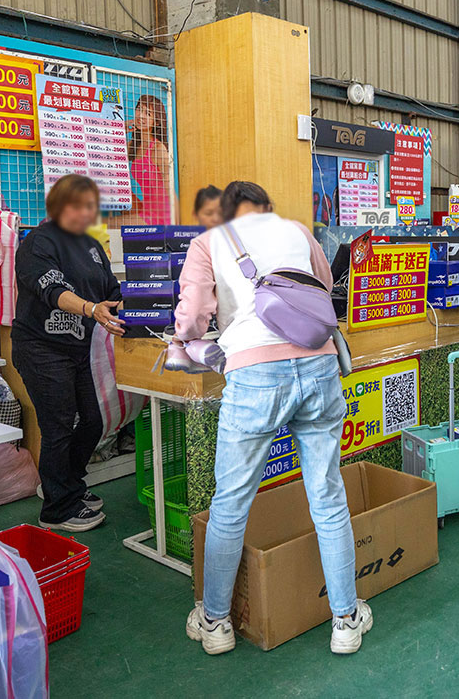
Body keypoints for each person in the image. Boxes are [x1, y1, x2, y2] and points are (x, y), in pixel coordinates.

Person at [177, 181, 372, 656]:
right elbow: (322, 289)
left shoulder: (207, 243)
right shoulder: (297, 231)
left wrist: (189, 338)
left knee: (231, 503)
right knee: (327, 497)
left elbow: (192, 320)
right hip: (320, 364)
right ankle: (346, 620)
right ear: (267, 206)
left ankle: (216, 622)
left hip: (254, 374)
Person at [13, 174, 124, 533]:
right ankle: (56, 509)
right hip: (41, 348)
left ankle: (68, 485)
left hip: (81, 351)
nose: (86, 212)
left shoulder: (91, 247)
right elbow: (52, 289)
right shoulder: (37, 244)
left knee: (94, 419)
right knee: (58, 425)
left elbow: (111, 289)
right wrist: (91, 310)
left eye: (90, 205)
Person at [128, 94, 172, 224]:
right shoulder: (132, 145)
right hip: (145, 209)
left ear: (156, 121)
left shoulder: (158, 148)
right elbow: (105, 150)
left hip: (160, 213)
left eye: (147, 113)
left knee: (108, 224)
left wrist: (175, 224)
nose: (141, 116)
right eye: (139, 109)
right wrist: (125, 127)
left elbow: (169, 186)